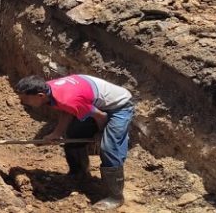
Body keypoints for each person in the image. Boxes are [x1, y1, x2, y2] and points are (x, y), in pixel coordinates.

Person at [15, 74, 134, 211]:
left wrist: (100, 134)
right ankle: (79, 173)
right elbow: (66, 110)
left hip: (119, 106)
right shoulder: (49, 90)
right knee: (74, 134)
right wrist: (57, 133)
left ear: (40, 95)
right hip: (93, 103)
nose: (22, 102)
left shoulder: (67, 98)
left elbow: (101, 116)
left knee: (108, 148)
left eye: (25, 99)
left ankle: (115, 197)